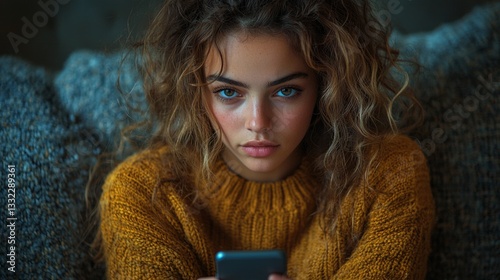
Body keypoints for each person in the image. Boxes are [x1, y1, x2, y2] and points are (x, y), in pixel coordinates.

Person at [93, 0, 435, 279]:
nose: (258, 122)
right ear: (195, 90)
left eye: (286, 91)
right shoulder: (142, 193)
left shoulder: (389, 173)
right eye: (228, 92)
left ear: (327, 85)